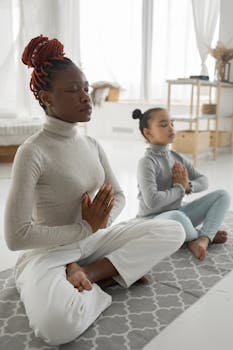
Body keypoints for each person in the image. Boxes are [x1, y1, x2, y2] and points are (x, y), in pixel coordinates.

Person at [4, 35, 186, 346]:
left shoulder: (91, 144)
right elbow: (16, 236)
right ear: (47, 98)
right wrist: (83, 228)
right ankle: (106, 279)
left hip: (92, 242)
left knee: (173, 231)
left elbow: (119, 196)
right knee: (56, 326)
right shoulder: (32, 151)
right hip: (48, 253)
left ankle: (89, 274)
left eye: (85, 89)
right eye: (73, 91)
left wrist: (94, 228)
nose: (86, 97)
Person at [132, 107, 231, 261]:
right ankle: (205, 235)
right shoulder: (146, 163)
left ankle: (202, 239)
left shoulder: (177, 157)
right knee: (178, 217)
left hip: (179, 214)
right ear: (148, 133)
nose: (171, 127)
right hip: (152, 220)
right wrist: (179, 189)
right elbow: (152, 201)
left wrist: (188, 186)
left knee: (223, 195)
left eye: (172, 123)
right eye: (164, 125)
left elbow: (204, 180)